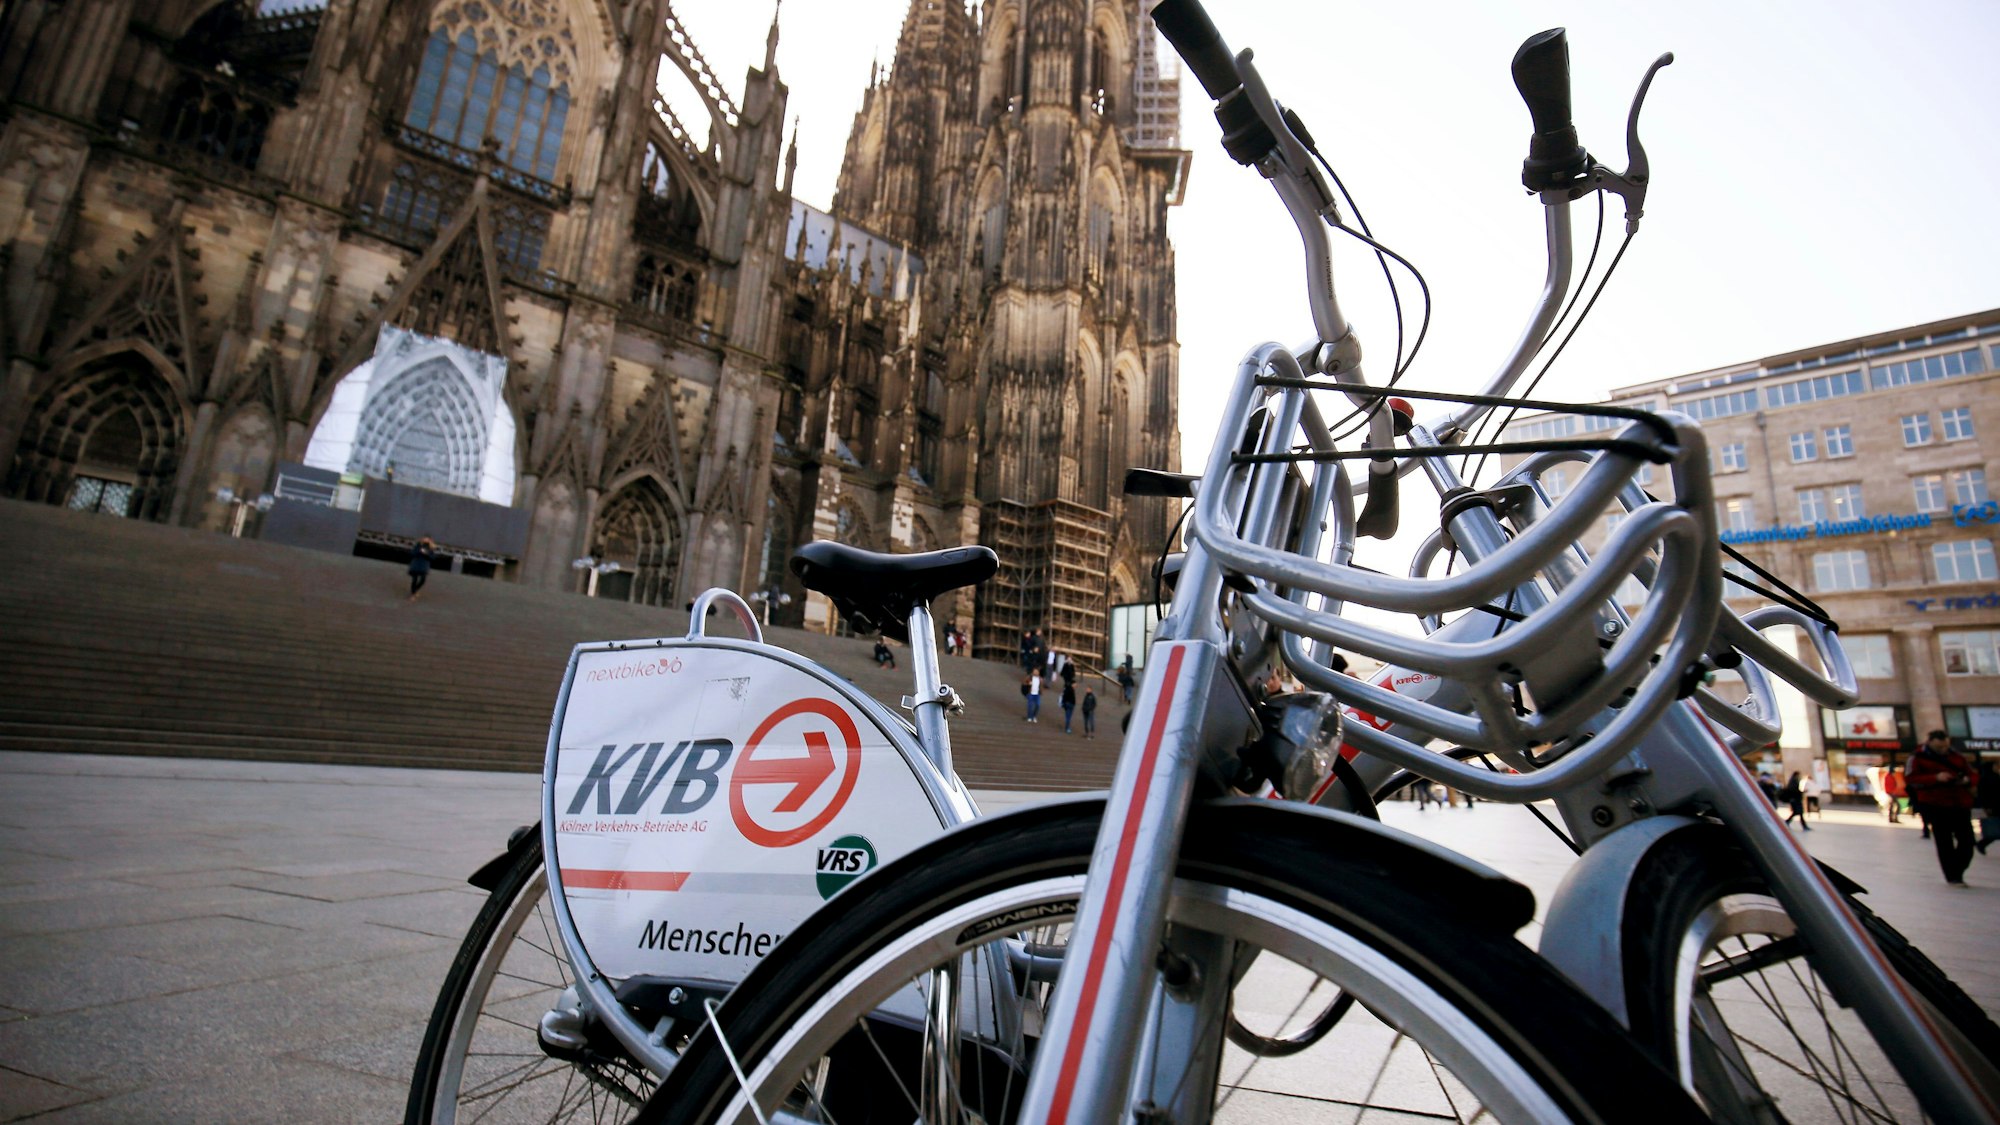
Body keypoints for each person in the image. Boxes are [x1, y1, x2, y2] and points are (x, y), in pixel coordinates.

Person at [1906, 731, 1976, 886]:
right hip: (1935, 804)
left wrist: (1966, 779)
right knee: (1944, 841)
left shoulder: (1957, 756)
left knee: (1968, 841)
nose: (1943, 749)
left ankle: (1958, 869)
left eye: (1945, 746)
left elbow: (1972, 774)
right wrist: (1936, 778)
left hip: (1959, 803)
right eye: (1939, 746)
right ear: (1930, 742)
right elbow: (1910, 779)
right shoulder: (1917, 757)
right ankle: (1953, 876)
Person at [1976, 760, 1998, 855]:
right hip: (1992, 807)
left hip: (1994, 806)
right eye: (1995, 766)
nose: (1997, 768)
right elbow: (1985, 794)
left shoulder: (1992, 777)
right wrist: (1987, 806)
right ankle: (1982, 843)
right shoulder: (1988, 779)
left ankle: (1982, 844)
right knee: (1994, 829)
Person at [407, 536, 436, 600]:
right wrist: (419, 551)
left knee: (423, 580)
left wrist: (426, 554)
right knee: (414, 580)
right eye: (425, 538)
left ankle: (416, 590)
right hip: (416, 564)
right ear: (422, 539)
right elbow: (412, 554)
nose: (426, 540)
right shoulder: (418, 546)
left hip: (424, 566)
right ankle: (413, 594)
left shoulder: (431, 548)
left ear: (429, 540)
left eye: (427, 539)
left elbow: (433, 558)